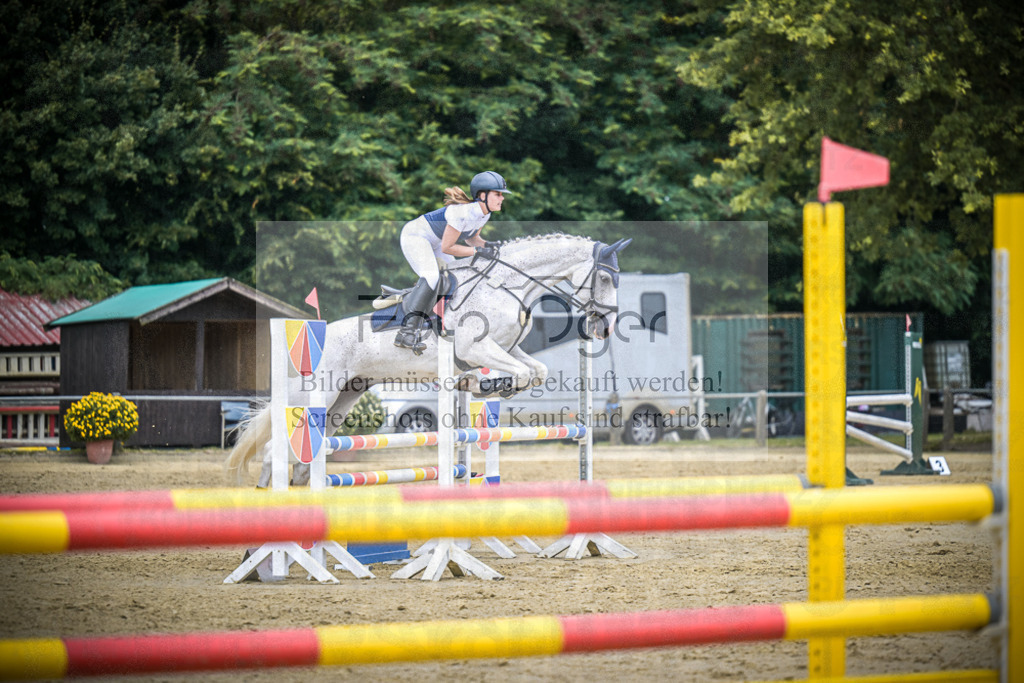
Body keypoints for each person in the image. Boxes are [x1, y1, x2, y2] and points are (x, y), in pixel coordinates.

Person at [394, 171, 512, 352]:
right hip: (416, 236)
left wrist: (488, 245)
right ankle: (407, 331)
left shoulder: (484, 213)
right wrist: (477, 251)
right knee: (432, 276)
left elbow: (471, 239)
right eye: (497, 194)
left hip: (436, 242)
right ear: (482, 195)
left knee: (455, 276)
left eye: (501, 194)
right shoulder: (462, 213)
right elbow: (448, 247)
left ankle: (438, 320)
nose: (501, 198)